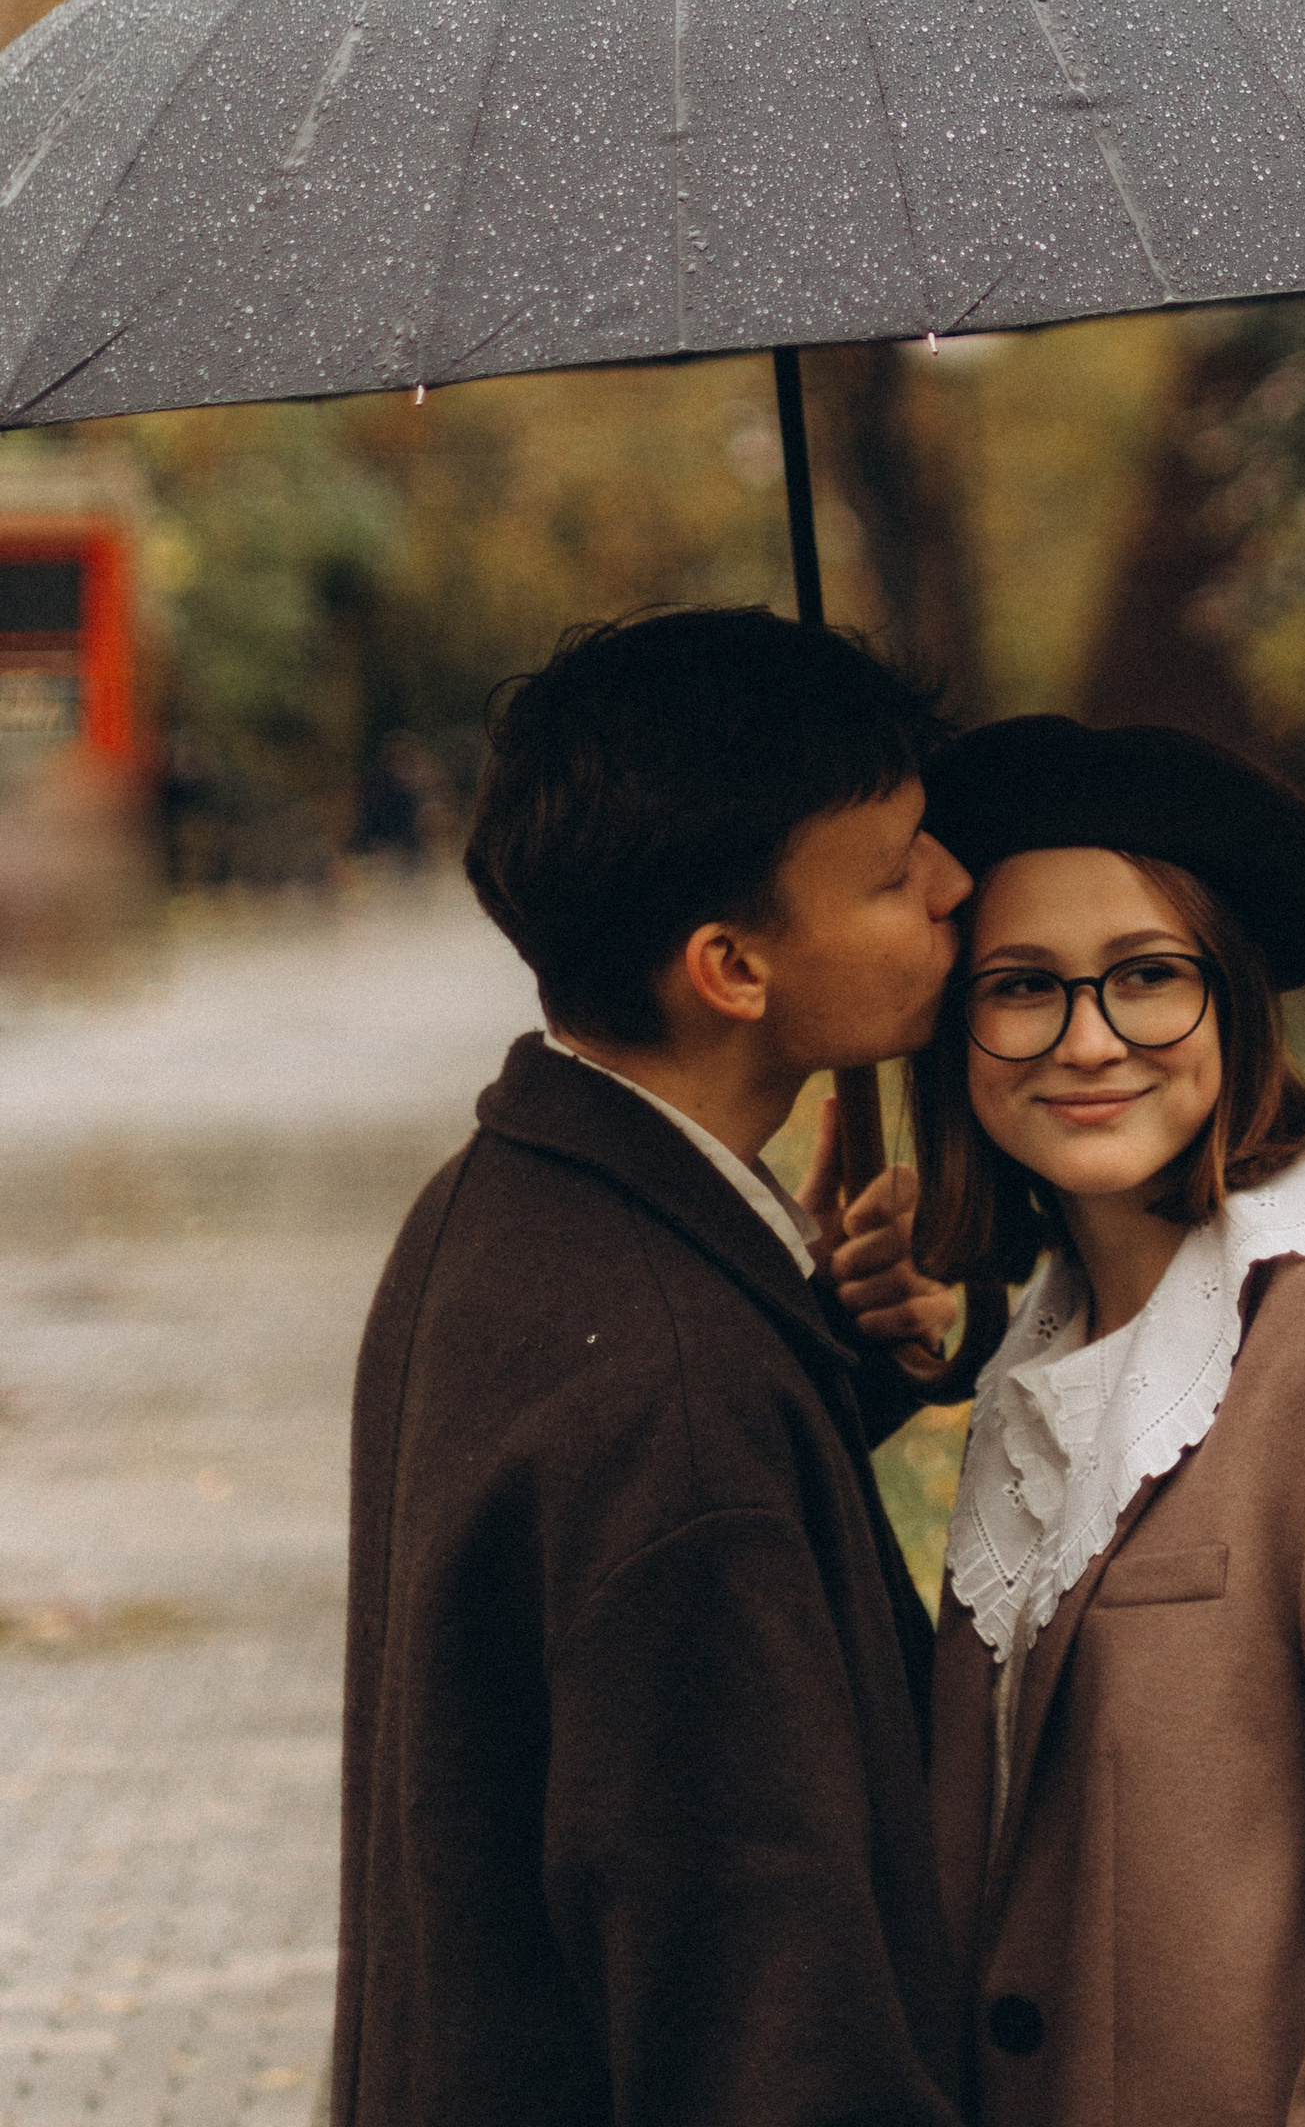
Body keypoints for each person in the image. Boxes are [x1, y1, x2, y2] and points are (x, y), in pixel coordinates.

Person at [866, 711, 1305, 2127]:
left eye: (1146, 977)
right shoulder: (1051, 1344)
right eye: (1022, 987)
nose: (1087, 1042)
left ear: (1237, 999)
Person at [333, 607, 978, 2127]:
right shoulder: (677, 1397)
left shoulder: (502, 1204)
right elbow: (766, 2016)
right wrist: (746, 1371)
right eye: (893, 873)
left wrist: (811, 1349)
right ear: (732, 967)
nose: (953, 886)